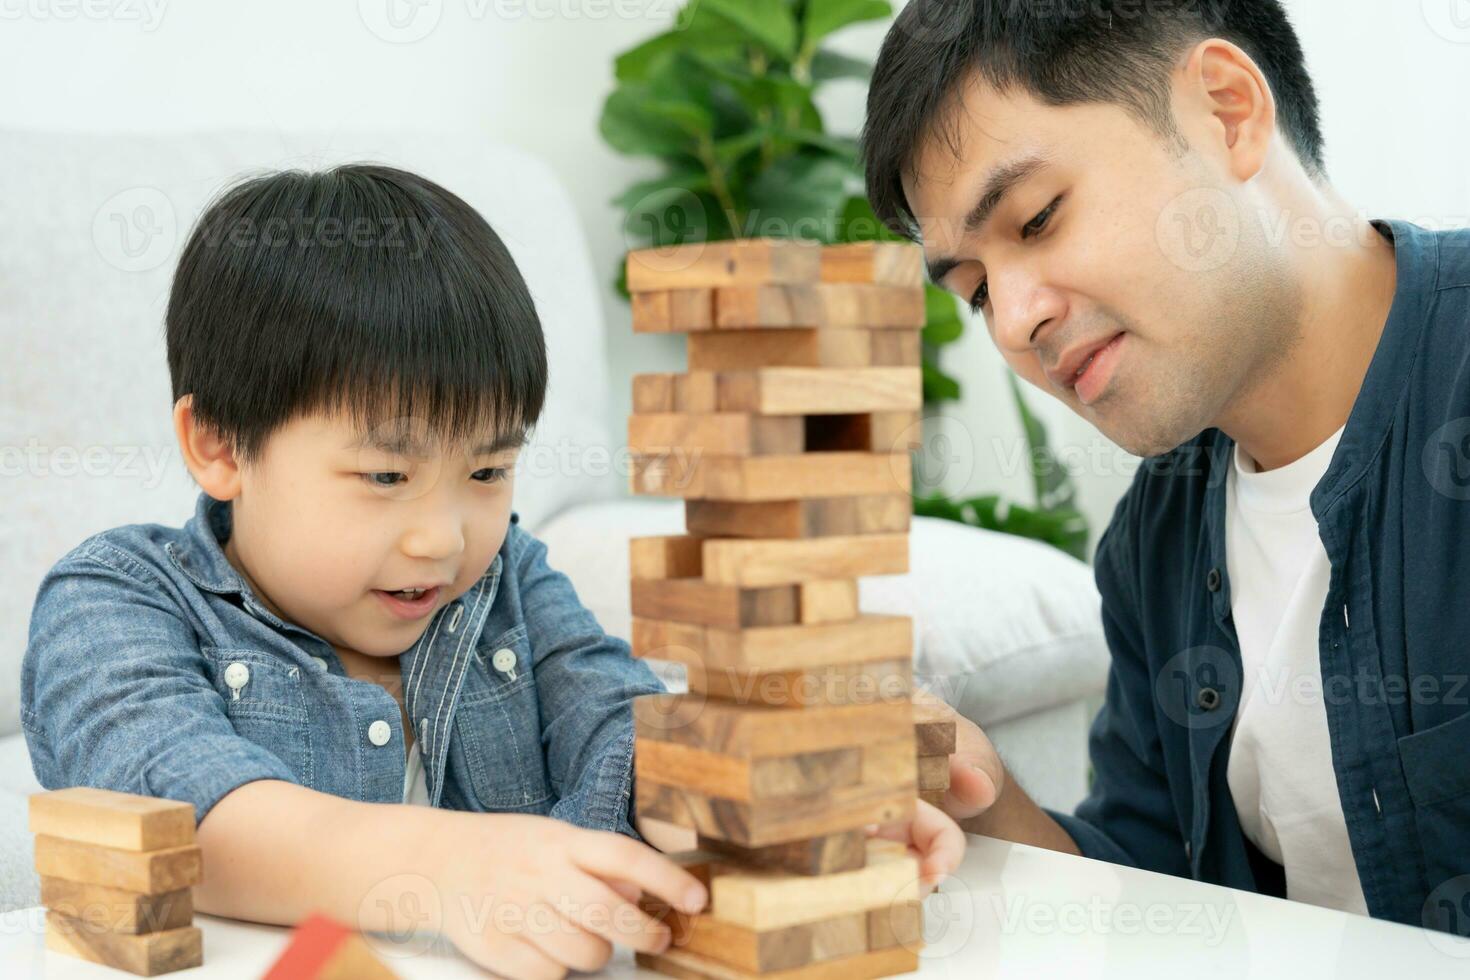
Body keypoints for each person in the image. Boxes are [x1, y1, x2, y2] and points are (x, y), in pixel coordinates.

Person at [20, 163, 963, 977]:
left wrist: (777, 811)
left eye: (487, 471)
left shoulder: (506, 577)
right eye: (386, 475)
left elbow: (619, 729)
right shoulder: (119, 598)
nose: (443, 537)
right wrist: (449, 867)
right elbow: (190, 819)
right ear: (220, 442)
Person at [863, 0, 1470, 937]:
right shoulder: (1159, 538)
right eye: (976, 291)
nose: (1014, 322)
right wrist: (973, 789)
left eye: (1038, 218)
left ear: (1228, 111)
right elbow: (1151, 897)